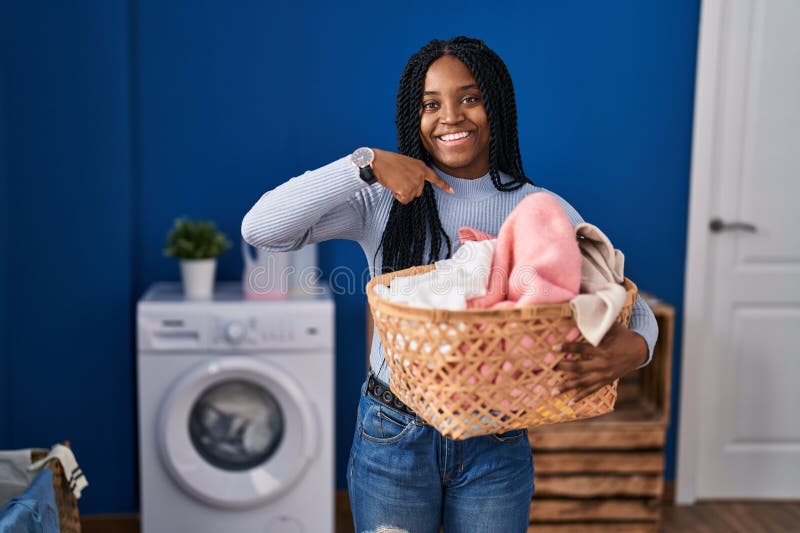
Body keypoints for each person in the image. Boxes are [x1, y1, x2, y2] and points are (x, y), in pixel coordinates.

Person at [242, 36, 658, 533]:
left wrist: (637, 348)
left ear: (496, 107)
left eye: (470, 98)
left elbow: (624, 299)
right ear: (412, 117)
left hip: (496, 437)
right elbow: (261, 228)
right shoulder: (384, 199)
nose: (451, 117)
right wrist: (365, 163)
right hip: (393, 432)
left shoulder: (538, 211)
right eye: (431, 104)